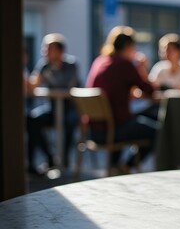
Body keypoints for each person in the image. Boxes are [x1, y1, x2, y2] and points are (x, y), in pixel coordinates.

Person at [86, 25, 158, 174]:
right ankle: (126, 167)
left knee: (127, 119)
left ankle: (114, 166)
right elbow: (150, 90)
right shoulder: (125, 64)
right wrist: (142, 67)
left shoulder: (99, 61)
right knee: (157, 131)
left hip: (93, 131)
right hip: (112, 130)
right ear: (128, 46)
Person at [26, 33, 80, 174]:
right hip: (53, 108)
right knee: (32, 120)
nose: (44, 52)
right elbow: (33, 84)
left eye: (48, 49)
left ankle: (64, 160)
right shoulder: (44, 65)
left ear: (60, 51)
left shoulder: (71, 65)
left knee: (69, 122)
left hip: (70, 108)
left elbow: (68, 87)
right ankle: (48, 158)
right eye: (44, 48)